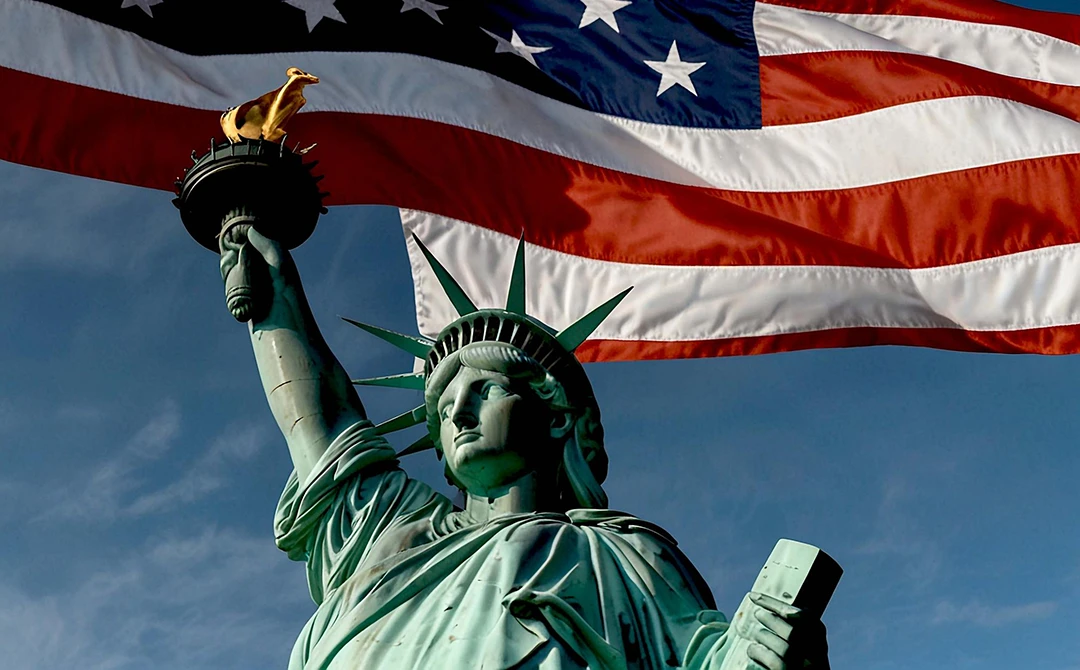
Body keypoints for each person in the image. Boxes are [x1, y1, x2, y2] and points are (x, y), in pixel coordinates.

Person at [217, 223, 830, 670]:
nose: (456, 409)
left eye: (487, 389)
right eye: (441, 403)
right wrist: (278, 299)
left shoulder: (622, 559)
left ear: (555, 417)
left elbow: (713, 661)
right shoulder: (393, 535)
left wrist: (771, 642)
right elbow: (320, 416)